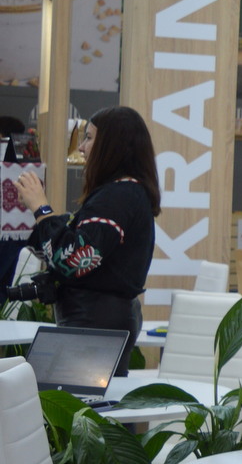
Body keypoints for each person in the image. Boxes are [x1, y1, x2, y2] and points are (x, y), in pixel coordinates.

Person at [15, 106, 160, 375]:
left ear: (112, 145)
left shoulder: (117, 197)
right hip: (97, 322)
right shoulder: (124, 194)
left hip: (94, 324)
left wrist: (42, 209)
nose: (81, 147)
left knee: (76, 401)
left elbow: (72, 260)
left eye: (89, 138)